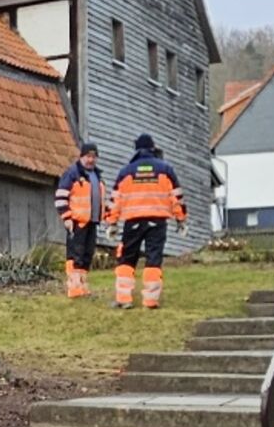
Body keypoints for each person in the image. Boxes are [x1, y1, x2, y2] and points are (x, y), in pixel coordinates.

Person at [104, 132, 187, 309]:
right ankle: (150, 300)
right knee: (153, 258)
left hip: (133, 221)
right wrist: (181, 219)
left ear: (136, 149)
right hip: (157, 221)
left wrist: (112, 222)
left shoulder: (126, 172)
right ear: (152, 148)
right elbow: (176, 197)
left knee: (127, 258)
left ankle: (124, 299)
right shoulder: (165, 169)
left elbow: (115, 200)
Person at [53, 140, 103, 298]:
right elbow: (60, 196)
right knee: (76, 253)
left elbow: (99, 199)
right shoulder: (72, 173)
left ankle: (82, 285)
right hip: (77, 221)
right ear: (82, 156)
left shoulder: (97, 175)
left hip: (92, 221)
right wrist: (66, 217)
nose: (91, 159)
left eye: (94, 156)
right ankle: (73, 287)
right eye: (88, 156)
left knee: (87, 254)